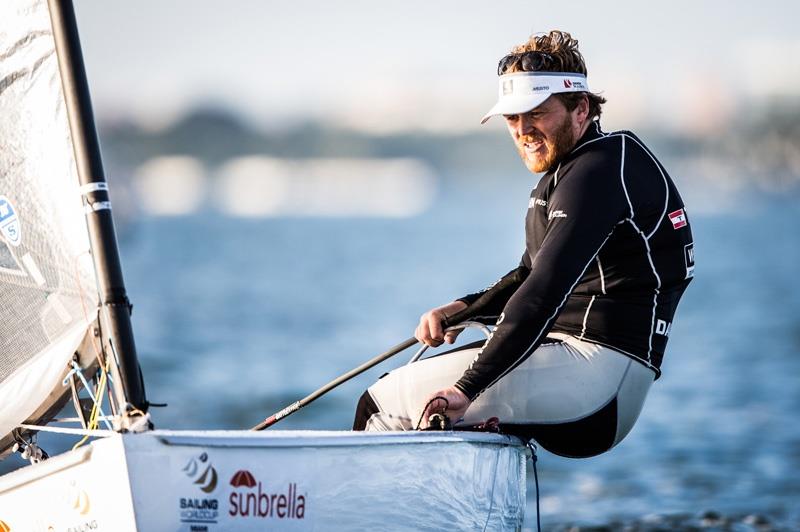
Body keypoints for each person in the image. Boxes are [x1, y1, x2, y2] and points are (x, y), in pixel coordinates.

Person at [353, 30, 695, 458]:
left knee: (381, 403)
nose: (522, 130)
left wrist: (466, 389)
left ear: (580, 108)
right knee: (425, 400)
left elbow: (542, 293)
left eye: (536, 113)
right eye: (512, 118)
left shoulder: (598, 172)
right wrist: (465, 309)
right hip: (588, 374)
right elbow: (529, 275)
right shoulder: (578, 171)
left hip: (595, 379)